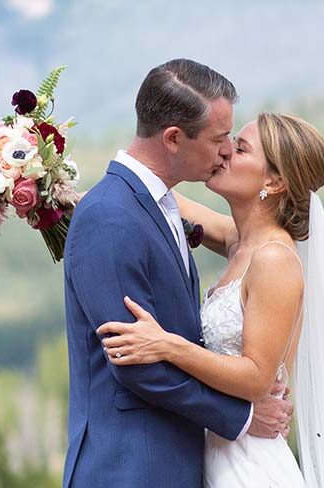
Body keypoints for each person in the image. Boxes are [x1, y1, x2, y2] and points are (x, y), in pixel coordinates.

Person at [97, 111, 324, 487]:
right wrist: (52, 195)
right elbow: (143, 195)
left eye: (242, 148)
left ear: (275, 181)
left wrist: (166, 345)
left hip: (250, 466)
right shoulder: (240, 241)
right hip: (219, 451)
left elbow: (255, 379)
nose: (226, 152)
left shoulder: (274, 260)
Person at [61, 59, 294, 488]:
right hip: (130, 468)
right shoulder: (110, 217)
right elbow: (135, 365)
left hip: (181, 463)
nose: (226, 151)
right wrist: (241, 416)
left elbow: (242, 238)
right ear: (173, 139)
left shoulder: (162, 206)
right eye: (220, 139)